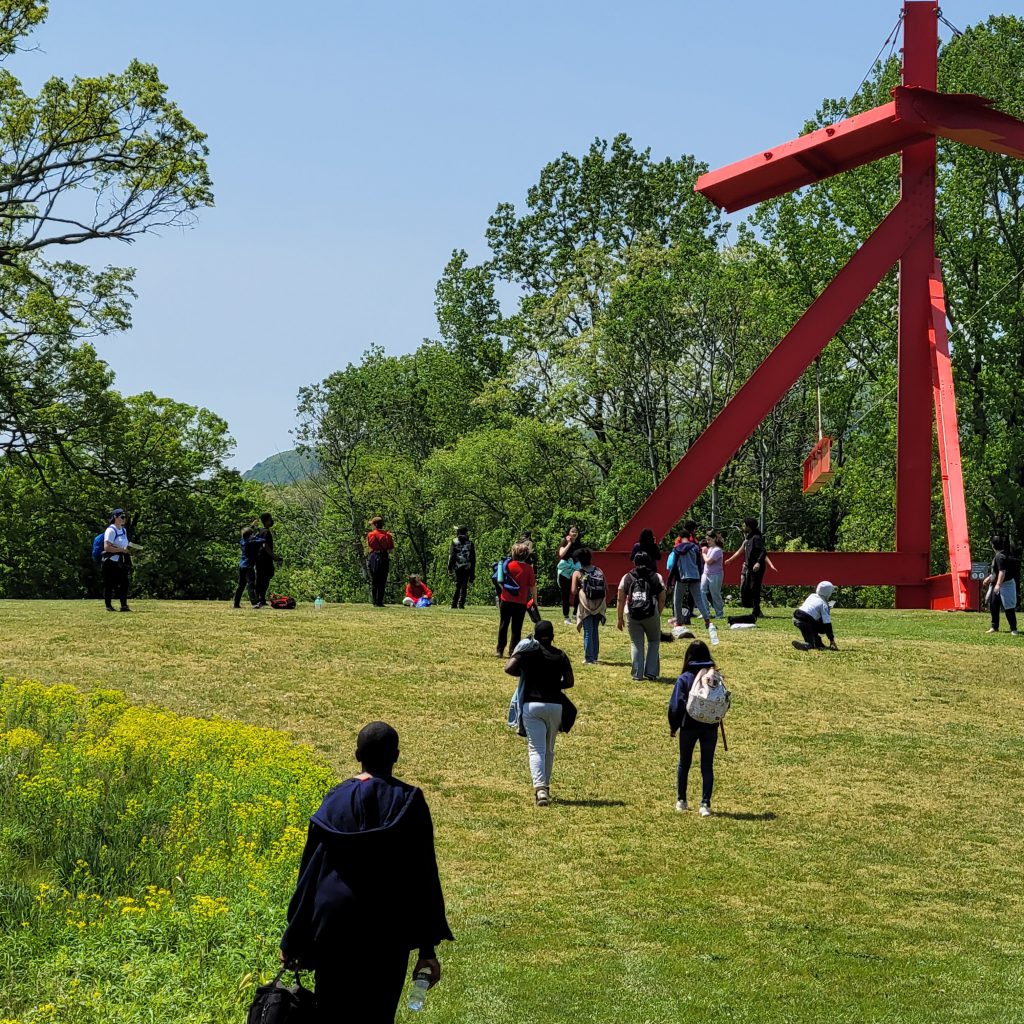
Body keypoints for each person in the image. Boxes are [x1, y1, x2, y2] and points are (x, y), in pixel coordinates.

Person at [279, 722, 453, 1024]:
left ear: (357, 753)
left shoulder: (334, 799)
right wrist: (427, 949)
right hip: (386, 927)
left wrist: (293, 938)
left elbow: (310, 872)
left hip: (334, 922)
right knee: (377, 1014)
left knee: (330, 1012)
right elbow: (423, 874)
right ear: (396, 756)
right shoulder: (410, 801)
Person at [504, 620, 574, 806]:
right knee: (549, 749)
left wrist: (522, 661)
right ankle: (546, 787)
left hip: (532, 705)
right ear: (552, 636)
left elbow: (509, 668)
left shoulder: (529, 653)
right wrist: (552, 684)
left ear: (535, 635)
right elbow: (569, 681)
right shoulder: (560, 655)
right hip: (555, 706)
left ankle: (540, 790)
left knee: (536, 749)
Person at [668, 640, 721, 817]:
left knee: (684, 762)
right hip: (710, 726)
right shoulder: (715, 677)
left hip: (689, 726)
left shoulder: (684, 678)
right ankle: (705, 803)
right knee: (707, 765)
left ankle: (681, 800)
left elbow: (675, 706)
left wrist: (673, 726)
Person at [616, 551, 667, 681]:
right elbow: (662, 599)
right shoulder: (656, 577)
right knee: (654, 641)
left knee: (636, 643)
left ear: (634, 562)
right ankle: (651, 672)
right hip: (651, 612)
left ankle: (637, 674)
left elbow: (620, 599)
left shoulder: (626, 577)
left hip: (632, 614)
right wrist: (658, 613)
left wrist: (619, 618)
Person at [725, 518, 776, 618]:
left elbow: (763, 551)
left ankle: (756, 611)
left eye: (744, 525)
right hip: (749, 567)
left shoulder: (756, 538)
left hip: (756, 568)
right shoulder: (748, 539)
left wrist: (758, 563)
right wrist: (730, 560)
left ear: (749, 527)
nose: (743, 527)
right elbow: (740, 552)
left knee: (754, 588)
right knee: (747, 587)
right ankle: (752, 607)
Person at [496, 541, 537, 657]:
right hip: (520, 602)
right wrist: (535, 600)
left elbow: (500, 580)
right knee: (516, 628)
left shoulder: (508, 565)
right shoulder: (529, 569)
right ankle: (513, 650)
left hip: (506, 599)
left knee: (503, 625)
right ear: (526, 555)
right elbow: (532, 586)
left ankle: (499, 649)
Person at [666, 527, 711, 632]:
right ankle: (707, 618)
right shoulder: (695, 548)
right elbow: (699, 563)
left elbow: (674, 567)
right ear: (689, 537)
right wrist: (699, 575)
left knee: (677, 600)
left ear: (680, 537)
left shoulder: (677, 549)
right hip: (695, 576)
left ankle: (678, 621)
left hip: (682, 577)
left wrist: (669, 581)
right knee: (698, 599)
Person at [570, 548, 606, 664]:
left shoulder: (578, 573)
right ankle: (595, 656)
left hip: (586, 605)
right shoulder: (599, 570)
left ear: (579, 560)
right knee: (595, 630)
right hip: (599, 604)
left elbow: (574, 591)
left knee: (588, 631)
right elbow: (606, 587)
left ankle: (589, 658)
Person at [983, 535, 1019, 635]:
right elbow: (997, 572)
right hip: (998, 583)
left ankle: (1014, 629)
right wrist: (989, 578)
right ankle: (994, 627)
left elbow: (1002, 572)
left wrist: (998, 585)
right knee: (994, 605)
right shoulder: (1002, 555)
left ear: (993, 545)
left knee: (1008, 607)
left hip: (1005, 585)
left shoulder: (1000, 557)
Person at [792, 581, 839, 651]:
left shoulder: (812, 596)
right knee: (812, 640)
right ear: (828, 592)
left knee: (812, 627)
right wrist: (831, 639)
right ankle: (806, 645)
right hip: (806, 620)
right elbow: (827, 624)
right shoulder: (824, 604)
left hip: (796, 617)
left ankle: (818, 643)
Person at [101, 508, 131, 612]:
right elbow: (107, 547)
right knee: (109, 584)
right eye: (121, 517)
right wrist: (121, 550)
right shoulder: (111, 530)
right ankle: (108, 606)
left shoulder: (123, 530)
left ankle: (124, 605)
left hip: (120, 561)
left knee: (124, 583)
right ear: (115, 518)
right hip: (110, 562)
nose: (124, 519)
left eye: (124, 517)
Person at [253, 512, 282, 607]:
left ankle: (259, 598)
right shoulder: (266, 532)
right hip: (265, 559)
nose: (271, 521)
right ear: (266, 521)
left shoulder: (259, 531)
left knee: (260, 578)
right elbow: (265, 545)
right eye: (270, 519)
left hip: (258, 559)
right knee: (266, 577)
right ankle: (261, 598)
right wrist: (273, 556)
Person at [232, 526, 264, 609]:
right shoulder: (251, 542)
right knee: (251, 585)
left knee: (241, 585)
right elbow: (262, 540)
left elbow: (248, 536)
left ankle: (236, 603)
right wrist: (256, 536)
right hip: (249, 566)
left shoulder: (242, 541)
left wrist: (252, 527)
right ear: (250, 535)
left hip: (242, 565)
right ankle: (254, 603)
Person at [556, 526, 582, 625]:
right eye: (572, 531)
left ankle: (575, 614)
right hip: (565, 571)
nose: (574, 533)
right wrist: (569, 543)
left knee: (578, 591)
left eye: (576, 531)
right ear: (568, 533)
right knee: (565, 594)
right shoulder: (564, 541)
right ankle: (566, 617)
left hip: (576, 570)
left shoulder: (579, 544)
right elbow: (561, 554)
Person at [367, 516, 395, 607]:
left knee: (374, 580)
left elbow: (370, 545)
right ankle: (380, 601)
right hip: (384, 557)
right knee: (382, 580)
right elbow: (391, 549)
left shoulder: (371, 535)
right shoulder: (388, 535)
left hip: (374, 556)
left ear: (375, 525)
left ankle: (374, 601)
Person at [447, 526, 475, 609]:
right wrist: (472, 572)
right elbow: (473, 558)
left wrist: (449, 568)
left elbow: (452, 556)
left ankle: (453, 603)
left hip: (457, 567)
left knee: (458, 585)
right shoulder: (470, 543)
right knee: (464, 586)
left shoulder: (455, 542)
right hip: (467, 567)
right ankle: (461, 604)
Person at [701, 531, 726, 620]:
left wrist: (703, 553)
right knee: (702, 591)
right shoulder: (710, 549)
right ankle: (705, 612)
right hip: (706, 573)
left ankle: (719, 613)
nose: (708, 542)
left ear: (714, 539)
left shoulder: (717, 550)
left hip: (715, 575)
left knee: (715, 593)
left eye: (709, 540)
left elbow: (709, 561)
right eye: (707, 540)